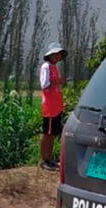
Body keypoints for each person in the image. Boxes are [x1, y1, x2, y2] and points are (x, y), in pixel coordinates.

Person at [39, 42, 67, 171]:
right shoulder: (46, 67)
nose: (57, 56)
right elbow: (45, 84)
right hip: (49, 107)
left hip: (56, 106)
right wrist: (58, 81)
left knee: (53, 133)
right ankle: (45, 160)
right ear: (49, 56)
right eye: (54, 54)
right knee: (47, 133)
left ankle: (49, 159)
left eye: (59, 54)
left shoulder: (55, 67)